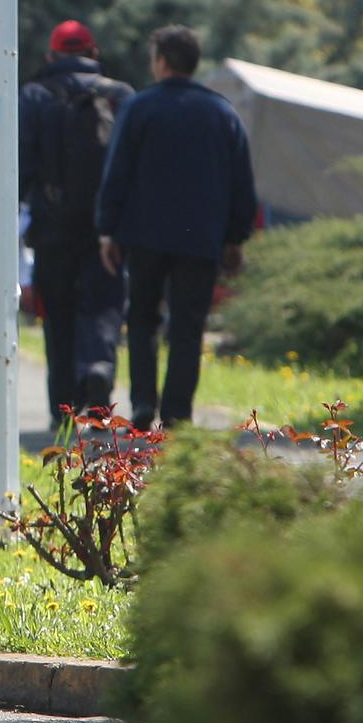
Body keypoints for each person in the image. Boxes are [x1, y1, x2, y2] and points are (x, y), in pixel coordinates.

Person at [96, 24, 256, 431]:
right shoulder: (221, 112)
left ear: (162, 62)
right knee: (188, 325)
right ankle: (178, 413)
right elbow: (241, 181)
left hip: (144, 234)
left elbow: (118, 171)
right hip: (201, 238)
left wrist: (108, 229)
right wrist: (236, 237)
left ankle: (144, 404)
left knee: (143, 320)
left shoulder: (139, 108)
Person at [18, 19, 134, 424]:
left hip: (53, 227)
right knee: (105, 305)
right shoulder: (120, 96)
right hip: (109, 229)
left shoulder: (33, 95)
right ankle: (99, 381)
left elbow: (22, 163)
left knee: (59, 314)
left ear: (51, 55)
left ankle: (63, 408)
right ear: (93, 54)